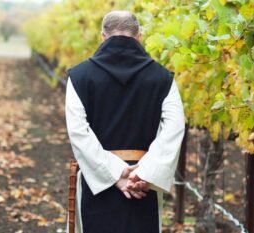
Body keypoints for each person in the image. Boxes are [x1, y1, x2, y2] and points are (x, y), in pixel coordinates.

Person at [65, 11, 186, 233]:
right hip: (142, 186)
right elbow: (174, 129)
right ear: (139, 36)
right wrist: (144, 174)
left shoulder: (79, 76)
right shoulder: (163, 78)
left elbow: (79, 133)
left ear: (103, 36)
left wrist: (114, 176)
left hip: (97, 182)